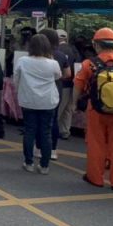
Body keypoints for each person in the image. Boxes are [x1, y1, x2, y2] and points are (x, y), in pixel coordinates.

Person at [73, 28, 113, 191]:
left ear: (96, 45)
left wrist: (74, 104)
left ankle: (95, 178)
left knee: (96, 143)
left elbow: (78, 85)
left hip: (96, 109)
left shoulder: (89, 64)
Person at [14, 34, 62, 174]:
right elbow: (58, 76)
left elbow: (16, 79)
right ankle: (44, 166)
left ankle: (28, 162)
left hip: (28, 100)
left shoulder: (23, 61)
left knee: (29, 131)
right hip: (48, 101)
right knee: (46, 132)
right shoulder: (53, 63)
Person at [39, 28, 70, 160]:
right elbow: (68, 74)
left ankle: (38, 148)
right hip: (56, 90)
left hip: (39, 90)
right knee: (53, 120)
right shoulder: (61, 55)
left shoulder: (37, 54)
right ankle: (52, 150)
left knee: (38, 120)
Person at [54, 29, 77, 140]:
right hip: (72, 83)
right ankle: (65, 131)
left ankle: (53, 129)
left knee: (58, 108)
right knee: (67, 109)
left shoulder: (56, 51)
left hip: (61, 83)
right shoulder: (73, 50)